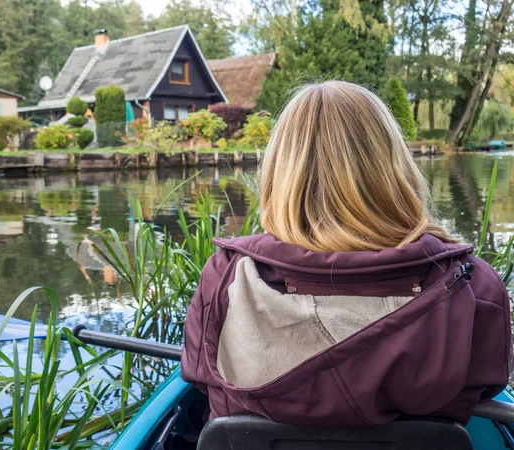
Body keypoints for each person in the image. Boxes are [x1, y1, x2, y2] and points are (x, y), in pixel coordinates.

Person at [180, 81, 512, 427]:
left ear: (280, 173)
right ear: (395, 168)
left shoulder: (224, 278)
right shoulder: (475, 287)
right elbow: (487, 386)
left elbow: (199, 377)